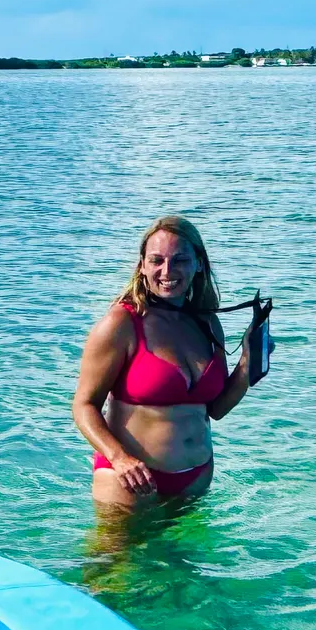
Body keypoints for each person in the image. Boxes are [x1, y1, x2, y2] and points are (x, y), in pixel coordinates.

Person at [73, 214, 261, 507]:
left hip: (196, 479)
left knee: (183, 555)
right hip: (130, 481)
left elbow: (217, 409)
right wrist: (120, 459)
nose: (167, 270)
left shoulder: (207, 323)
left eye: (180, 260)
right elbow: (83, 405)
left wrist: (248, 361)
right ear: (142, 265)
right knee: (112, 556)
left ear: (199, 263)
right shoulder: (121, 323)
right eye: (156, 260)